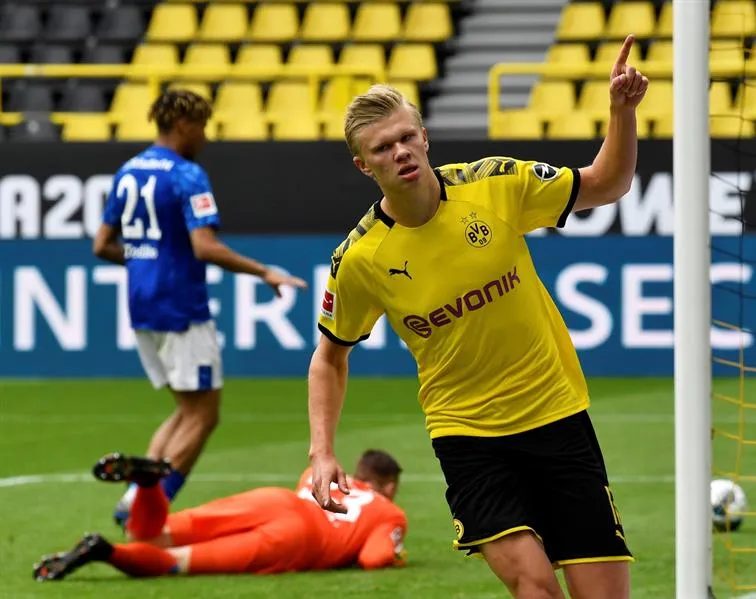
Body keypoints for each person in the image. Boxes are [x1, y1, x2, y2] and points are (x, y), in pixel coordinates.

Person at [306, 34, 648, 599]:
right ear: (363, 166)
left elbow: (608, 183)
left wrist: (621, 113)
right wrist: (322, 452)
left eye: (406, 137)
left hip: (557, 415)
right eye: (383, 148)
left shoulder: (494, 184)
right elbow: (329, 357)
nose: (400, 153)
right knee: (535, 586)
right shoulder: (361, 259)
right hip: (468, 436)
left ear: (424, 136)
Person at [92, 89, 307, 528]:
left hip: (142, 303)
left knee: (187, 408)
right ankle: (147, 511)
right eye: (203, 127)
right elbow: (204, 247)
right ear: (184, 124)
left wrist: (145, 261)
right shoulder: (187, 175)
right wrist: (264, 272)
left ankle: (136, 494)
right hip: (180, 304)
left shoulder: (128, 171)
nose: (205, 137)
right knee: (205, 415)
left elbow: (102, 245)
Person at [33, 450, 407, 581]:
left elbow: (309, 493)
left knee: (151, 534)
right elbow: (374, 559)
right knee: (172, 562)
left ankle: (148, 485)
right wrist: (396, 555)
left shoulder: (319, 474)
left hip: (274, 501)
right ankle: (103, 551)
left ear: (360, 472)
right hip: (297, 538)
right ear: (388, 487)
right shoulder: (389, 512)